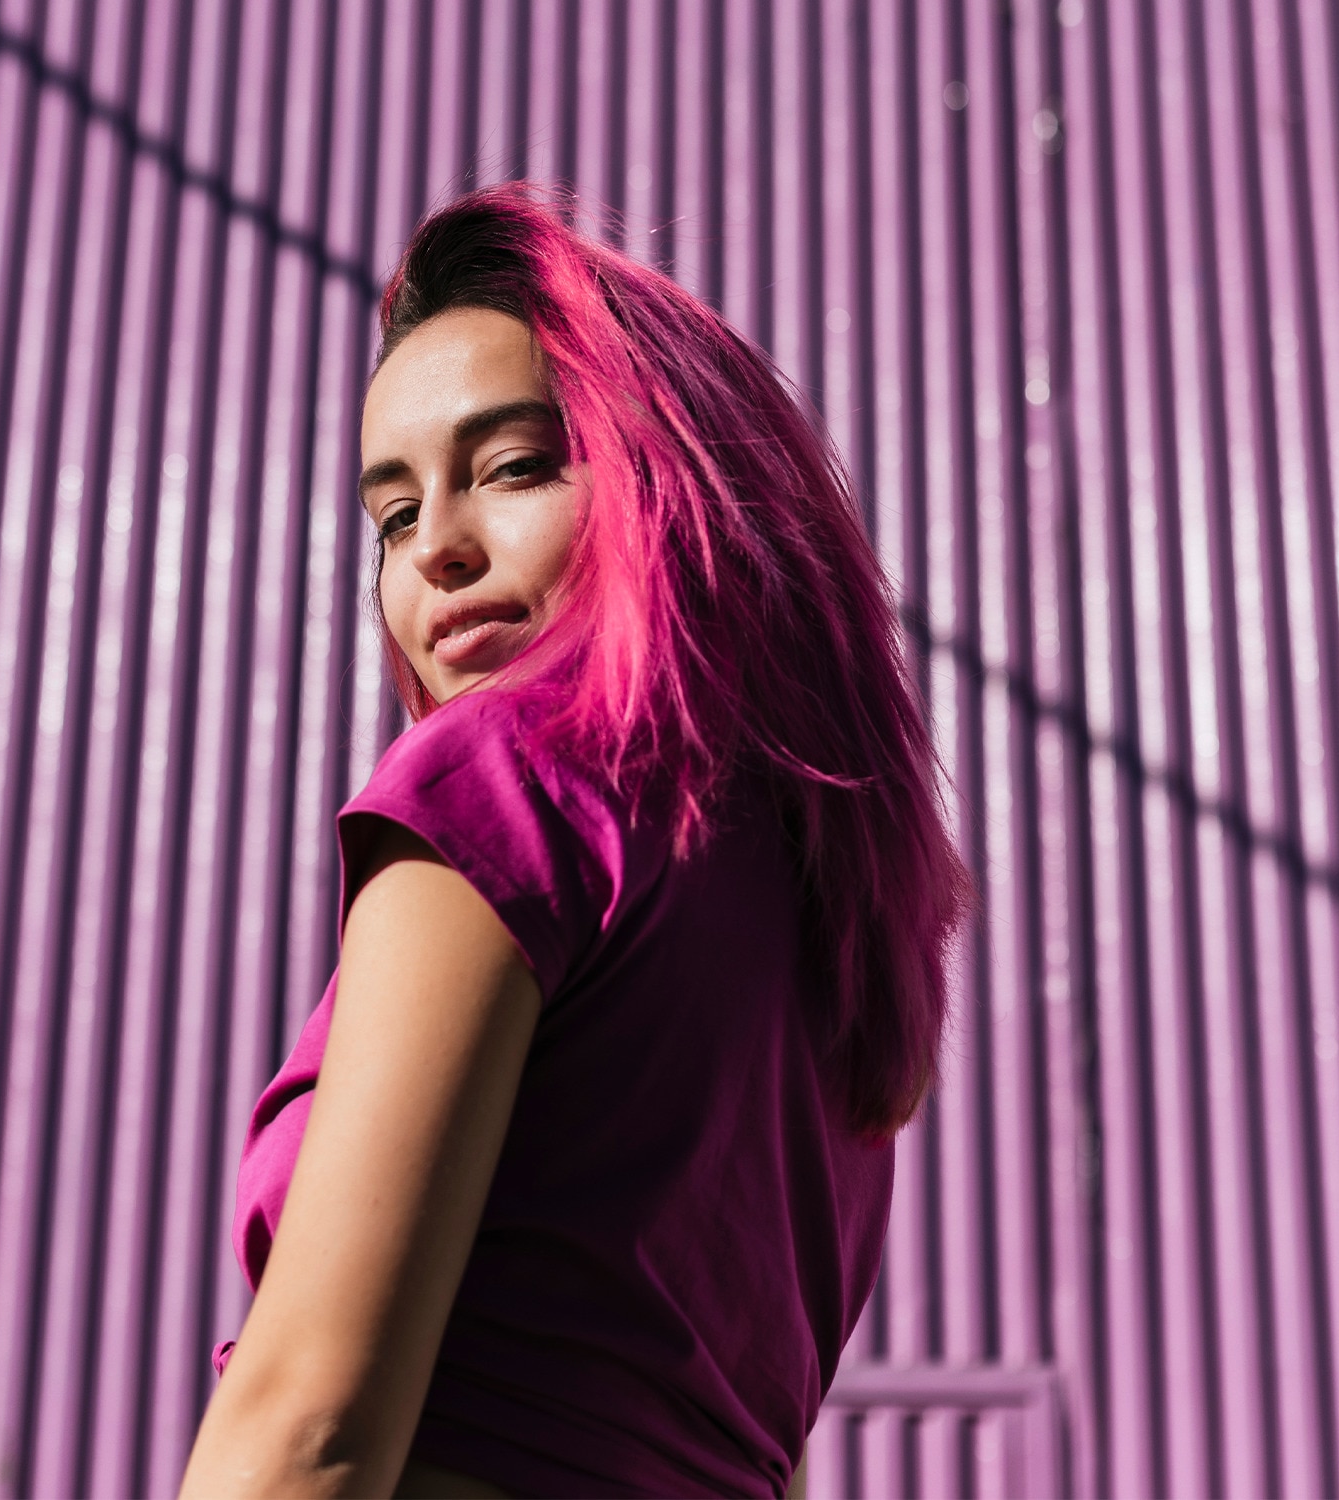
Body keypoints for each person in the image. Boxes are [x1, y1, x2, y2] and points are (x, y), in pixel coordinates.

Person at [179, 184, 969, 1499]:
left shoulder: (505, 787)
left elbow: (308, 1428)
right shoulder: (836, 934)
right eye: (392, 512)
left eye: (511, 466)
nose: (435, 545)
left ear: (672, 482)